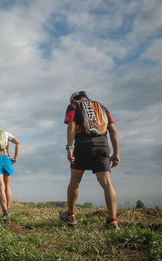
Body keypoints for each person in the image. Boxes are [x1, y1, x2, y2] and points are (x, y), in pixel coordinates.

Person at [60, 91, 120, 230]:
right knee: (107, 183)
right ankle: (112, 221)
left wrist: (69, 147)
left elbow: (71, 126)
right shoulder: (102, 107)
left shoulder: (74, 106)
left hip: (83, 144)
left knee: (75, 180)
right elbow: (113, 130)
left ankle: (71, 215)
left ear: (74, 99)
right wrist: (116, 153)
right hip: (103, 145)